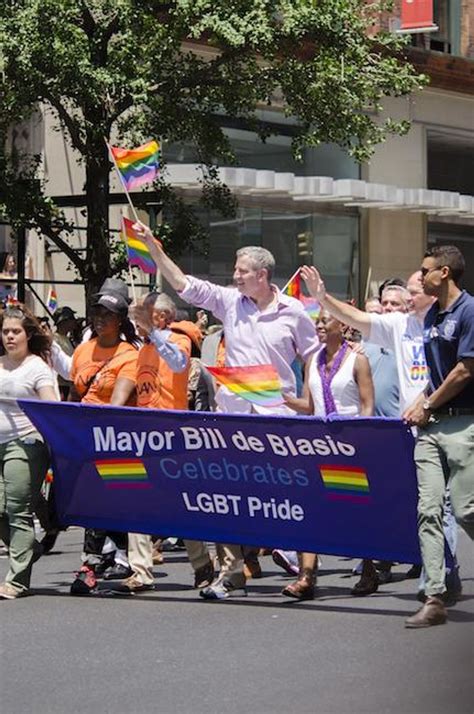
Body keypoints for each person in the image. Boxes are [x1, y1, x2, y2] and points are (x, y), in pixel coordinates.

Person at [133, 221, 318, 599]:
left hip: (278, 419)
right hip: (233, 417)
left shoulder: (293, 311)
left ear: (262, 275)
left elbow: (313, 358)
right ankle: (231, 572)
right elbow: (184, 284)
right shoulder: (230, 301)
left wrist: (312, 404)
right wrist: (153, 247)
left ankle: (305, 572)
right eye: (235, 270)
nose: (234, 276)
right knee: (229, 495)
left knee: (290, 496)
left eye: (242, 271)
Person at [111, 291, 215, 595]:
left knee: (181, 504)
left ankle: (201, 563)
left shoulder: (178, 339)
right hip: (145, 434)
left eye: (145, 312)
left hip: (172, 434)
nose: (138, 318)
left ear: (163, 317)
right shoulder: (142, 349)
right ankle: (141, 572)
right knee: (137, 503)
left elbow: (179, 363)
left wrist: (154, 334)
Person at [403, 245, 474, 628]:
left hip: (464, 424)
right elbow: (436, 372)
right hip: (431, 429)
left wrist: (426, 405)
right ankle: (434, 596)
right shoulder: (432, 314)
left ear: (444, 273)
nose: (421, 275)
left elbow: (465, 370)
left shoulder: (470, 311)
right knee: (428, 510)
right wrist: (420, 402)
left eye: (425, 269)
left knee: (465, 510)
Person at [283, 310, 374, 599]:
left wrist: (360, 444)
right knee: (306, 508)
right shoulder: (312, 361)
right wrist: (281, 398)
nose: (319, 325)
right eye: (317, 322)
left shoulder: (357, 360)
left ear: (343, 325)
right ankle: (306, 576)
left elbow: (367, 406)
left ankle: (369, 569)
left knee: (354, 511)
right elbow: (309, 406)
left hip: (348, 447)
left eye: (325, 320)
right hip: (316, 446)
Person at [69, 284, 141, 595]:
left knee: (120, 499)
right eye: (97, 312)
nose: (100, 318)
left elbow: (120, 400)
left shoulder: (129, 354)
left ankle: (120, 556)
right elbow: (74, 393)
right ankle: (94, 561)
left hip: (116, 438)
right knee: (94, 499)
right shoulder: (83, 350)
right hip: (84, 436)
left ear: (121, 320)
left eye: (108, 313)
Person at [0, 305, 58, 599]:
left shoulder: (36, 367)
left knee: (16, 510)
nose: (10, 337)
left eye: (16, 331)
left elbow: (50, 407)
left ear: (27, 335)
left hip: (25, 443)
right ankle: (30, 548)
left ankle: (17, 580)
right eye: (6, 331)